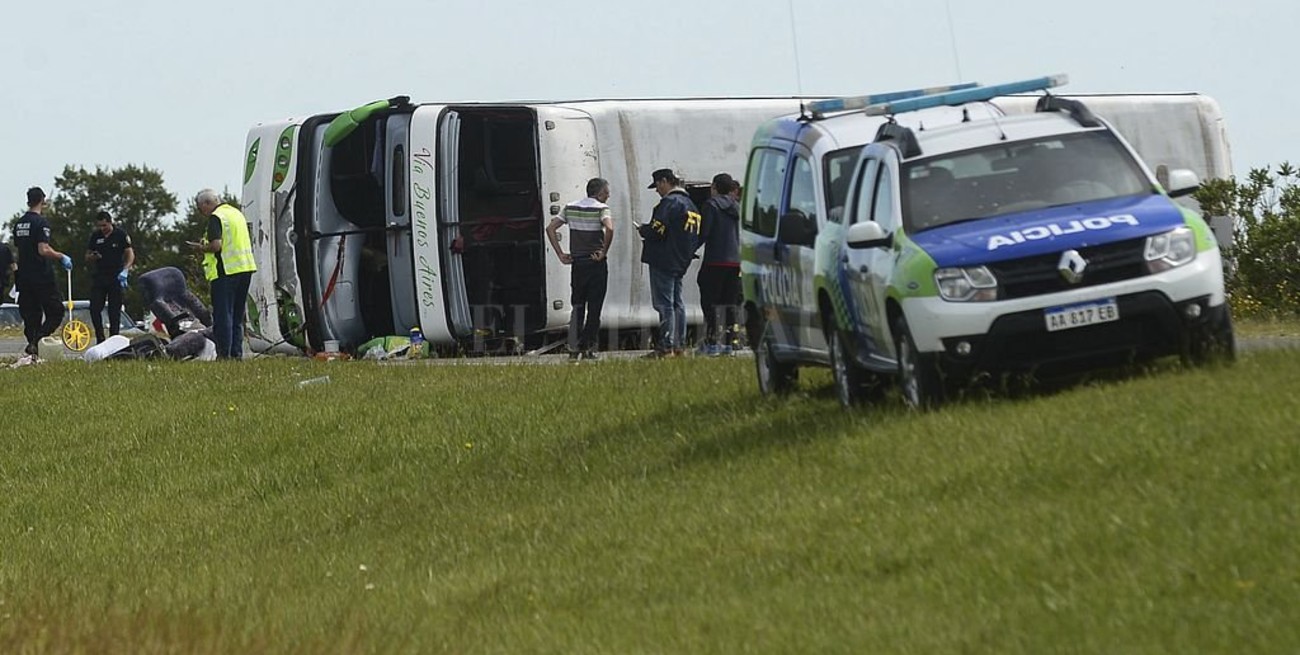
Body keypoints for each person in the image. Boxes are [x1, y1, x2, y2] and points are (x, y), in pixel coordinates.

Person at [545, 177, 614, 360]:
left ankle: (573, 346)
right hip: (595, 262)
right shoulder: (602, 209)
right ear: (599, 193)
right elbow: (610, 229)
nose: (608, 196)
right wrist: (603, 252)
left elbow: (551, 228)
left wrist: (560, 253)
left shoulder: (570, 207)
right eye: (607, 193)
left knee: (577, 305)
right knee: (594, 307)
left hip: (578, 263)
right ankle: (588, 347)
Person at [639, 168, 701, 357]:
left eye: (657, 186)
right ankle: (679, 345)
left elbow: (657, 230)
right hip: (681, 260)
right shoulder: (692, 205)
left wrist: (644, 230)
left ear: (664, 181)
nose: (657, 191)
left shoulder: (669, 203)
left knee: (664, 303)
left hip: (663, 259)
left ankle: (665, 346)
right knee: (677, 303)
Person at [188, 189, 256, 359]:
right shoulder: (236, 213)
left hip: (226, 270)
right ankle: (236, 353)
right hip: (245, 268)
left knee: (223, 315)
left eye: (200, 207)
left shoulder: (216, 217)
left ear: (207, 204)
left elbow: (217, 246)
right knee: (237, 315)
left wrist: (201, 248)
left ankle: (224, 354)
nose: (200, 212)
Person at [13, 187, 73, 356]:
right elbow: (43, 249)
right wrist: (61, 256)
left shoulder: (19, 224)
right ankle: (38, 340)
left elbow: (20, 249)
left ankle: (33, 348)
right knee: (55, 311)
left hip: (24, 275)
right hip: (41, 275)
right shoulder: (41, 223)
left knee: (31, 314)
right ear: (42, 201)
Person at [695, 173, 742, 355]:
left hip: (715, 260)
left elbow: (705, 232)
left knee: (710, 302)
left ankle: (712, 342)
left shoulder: (711, 206)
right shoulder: (736, 207)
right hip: (734, 261)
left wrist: (690, 248)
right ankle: (729, 344)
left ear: (714, 187)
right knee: (729, 303)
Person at [84, 210, 135, 343]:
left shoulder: (120, 235)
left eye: (104, 225)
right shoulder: (95, 236)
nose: (102, 229)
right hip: (100, 276)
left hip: (115, 276)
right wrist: (93, 257)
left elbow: (130, 254)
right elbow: (87, 256)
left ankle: (114, 339)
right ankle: (100, 337)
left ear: (110, 223)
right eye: (100, 226)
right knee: (94, 308)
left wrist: (126, 270)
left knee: (114, 311)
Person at [137, 266, 213, 337]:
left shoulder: (184, 296)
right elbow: (177, 324)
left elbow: (204, 315)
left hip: (201, 328)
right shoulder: (159, 303)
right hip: (188, 332)